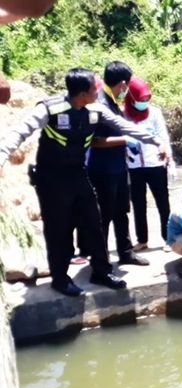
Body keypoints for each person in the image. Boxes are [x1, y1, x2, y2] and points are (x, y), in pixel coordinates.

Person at [0, 68, 166, 296]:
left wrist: (156, 141)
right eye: (93, 88)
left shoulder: (95, 110)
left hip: (78, 174)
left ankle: (101, 271)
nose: (98, 91)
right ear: (82, 93)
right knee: (59, 229)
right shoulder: (50, 108)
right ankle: (60, 278)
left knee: (93, 221)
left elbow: (124, 126)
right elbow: (21, 131)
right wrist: (2, 155)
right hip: (51, 178)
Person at [86, 61, 150, 266]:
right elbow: (95, 141)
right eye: (128, 85)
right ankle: (100, 260)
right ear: (122, 84)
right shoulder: (100, 104)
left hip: (119, 168)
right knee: (103, 216)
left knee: (122, 211)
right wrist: (126, 141)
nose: (128, 89)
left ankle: (125, 252)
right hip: (102, 170)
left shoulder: (112, 102)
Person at [123, 77, 173, 252]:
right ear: (131, 98)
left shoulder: (155, 113)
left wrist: (169, 158)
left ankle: (168, 238)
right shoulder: (123, 115)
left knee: (163, 202)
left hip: (156, 164)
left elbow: (163, 136)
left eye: (146, 99)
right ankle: (142, 239)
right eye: (140, 99)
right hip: (134, 165)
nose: (144, 102)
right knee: (138, 203)